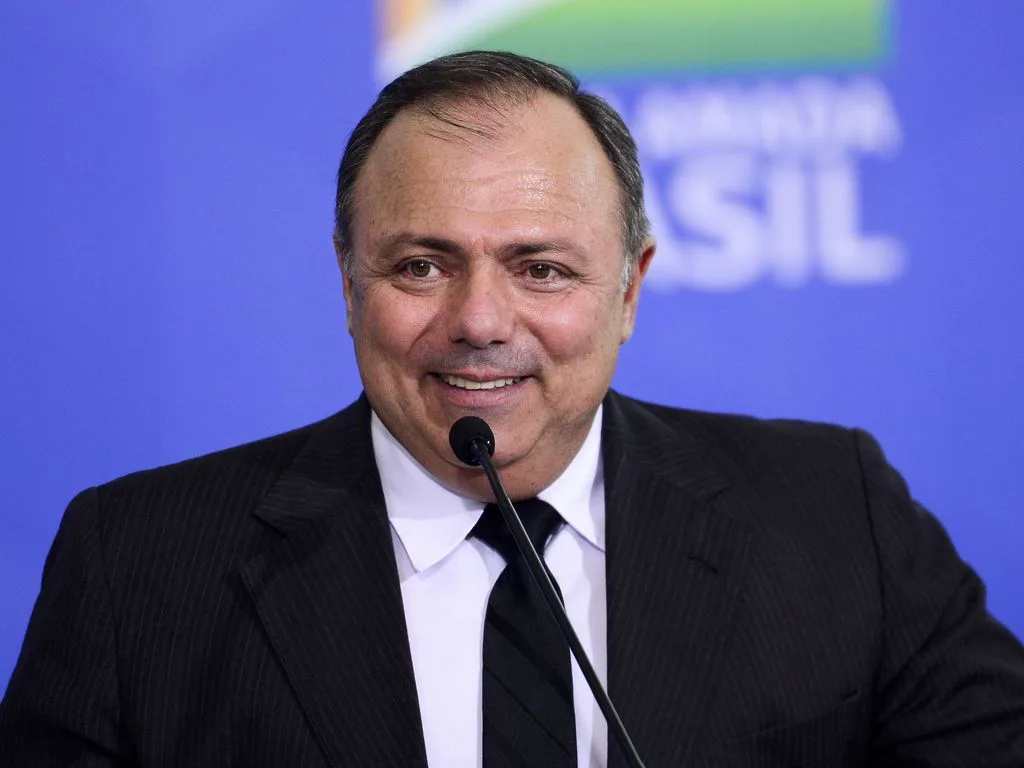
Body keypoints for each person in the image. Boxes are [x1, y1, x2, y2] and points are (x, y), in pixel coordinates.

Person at [2, 50, 1023, 768]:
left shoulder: (836, 516)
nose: (479, 320)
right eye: (420, 265)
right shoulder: (138, 563)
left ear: (629, 290)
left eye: (540, 268)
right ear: (348, 282)